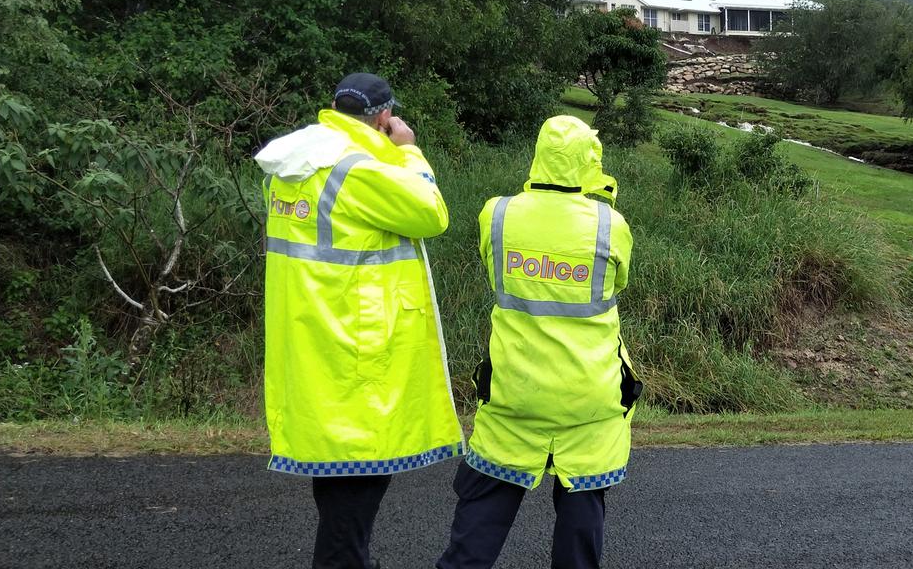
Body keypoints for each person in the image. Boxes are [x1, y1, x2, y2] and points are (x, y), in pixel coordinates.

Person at [255, 72, 464, 569]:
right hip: (358, 356)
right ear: (385, 117)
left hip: (310, 346)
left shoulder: (293, 164)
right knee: (352, 504)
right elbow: (430, 213)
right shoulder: (358, 171)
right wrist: (408, 151)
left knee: (337, 493)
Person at [436, 115, 642, 569]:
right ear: (591, 161)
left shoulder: (498, 213)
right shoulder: (611, 225)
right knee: (581, 515)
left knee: (482, 512)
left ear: (539, 155)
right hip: (588, 397)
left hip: (515, 390)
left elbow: (494, 272)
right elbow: (618, 281)